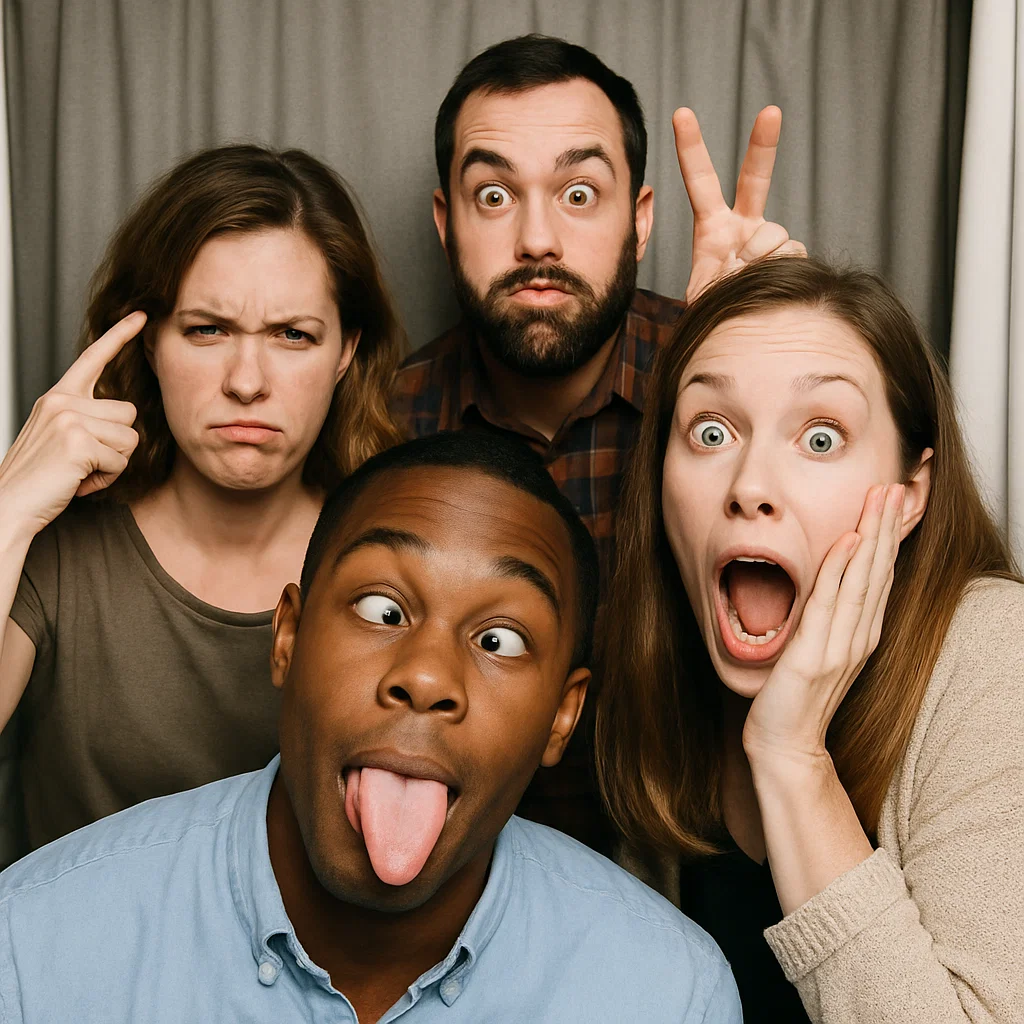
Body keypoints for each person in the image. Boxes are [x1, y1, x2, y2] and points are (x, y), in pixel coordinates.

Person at [0, 431, 742, 1024]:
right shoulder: (33, 948)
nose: (427, 677)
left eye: (500, 640)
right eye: (382, 611)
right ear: (287, 638)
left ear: (562, 716)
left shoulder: (670, 995)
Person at [390, 34, 804, 854]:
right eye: (494, 196)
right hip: (457, 869)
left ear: (640, 221)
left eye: (578, 193)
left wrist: (762, 360)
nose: (538, 239)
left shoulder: (715, 382)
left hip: (712, 859)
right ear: (446, 224)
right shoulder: (384, 423)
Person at [596, 256, 1024, 1022]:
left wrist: (792, 759)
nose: (750, 487)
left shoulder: (996, 652)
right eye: (711, 431)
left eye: (821, 439)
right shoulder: (658, 670)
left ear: (911, 493)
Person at [0, 144, 404, 858]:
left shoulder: (392, 559)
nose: (246, 382)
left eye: (292, 335)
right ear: (148, 341)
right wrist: (12, 503)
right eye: (207, 330)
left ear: (346, 351)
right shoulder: (54, 549)